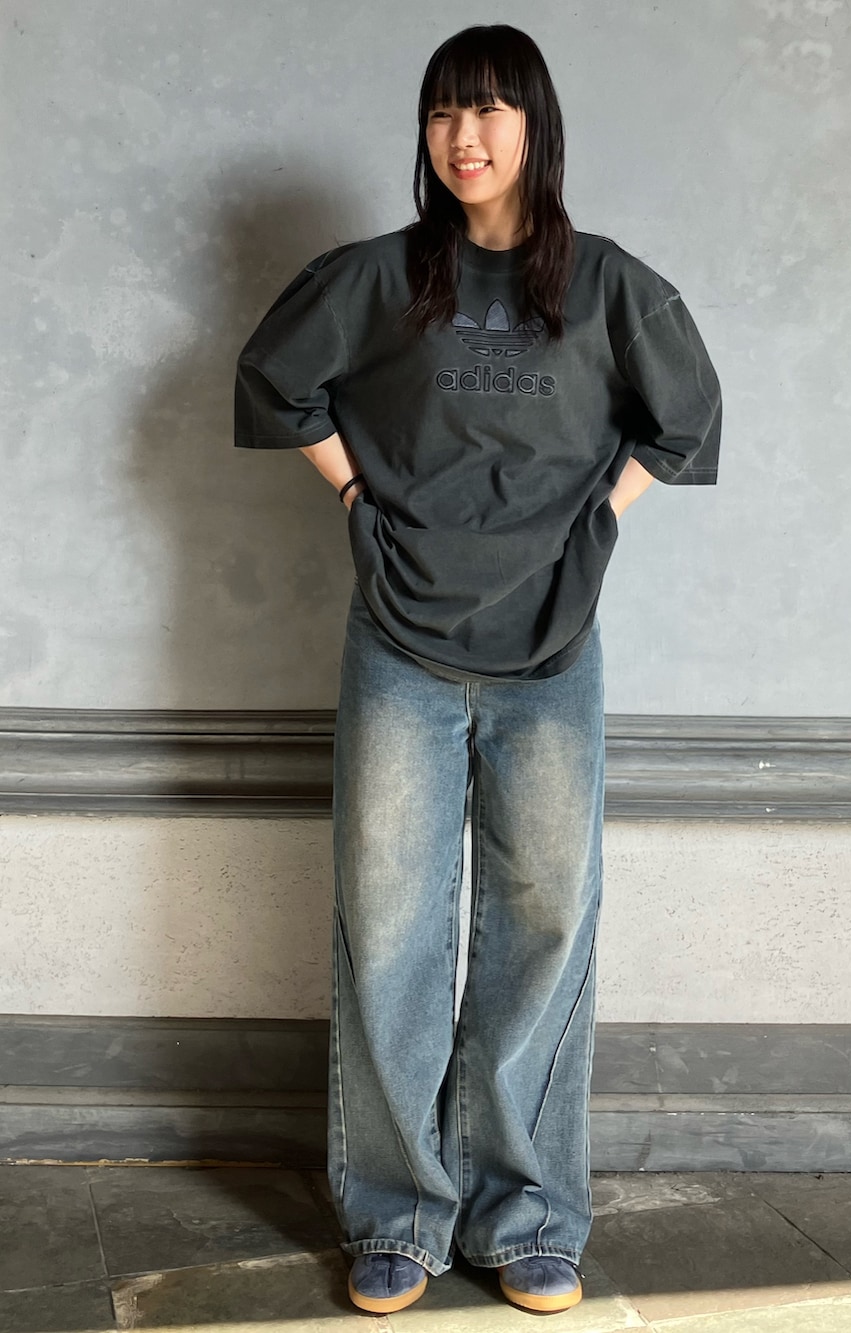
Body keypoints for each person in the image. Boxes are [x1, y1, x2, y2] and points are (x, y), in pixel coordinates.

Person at [234, 23, 721, 1317]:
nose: (466, 134)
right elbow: (276, 383)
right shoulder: (379, 279)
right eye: (446, 110)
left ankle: (529, 1213)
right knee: (390, 922)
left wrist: (596, 518)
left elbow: (684, 418)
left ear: (536, 128)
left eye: (493, 108)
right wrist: (358, 501)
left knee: (544, 921)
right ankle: (397, 1214)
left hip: (553, 646)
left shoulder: (608, 285)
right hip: (400, 639)